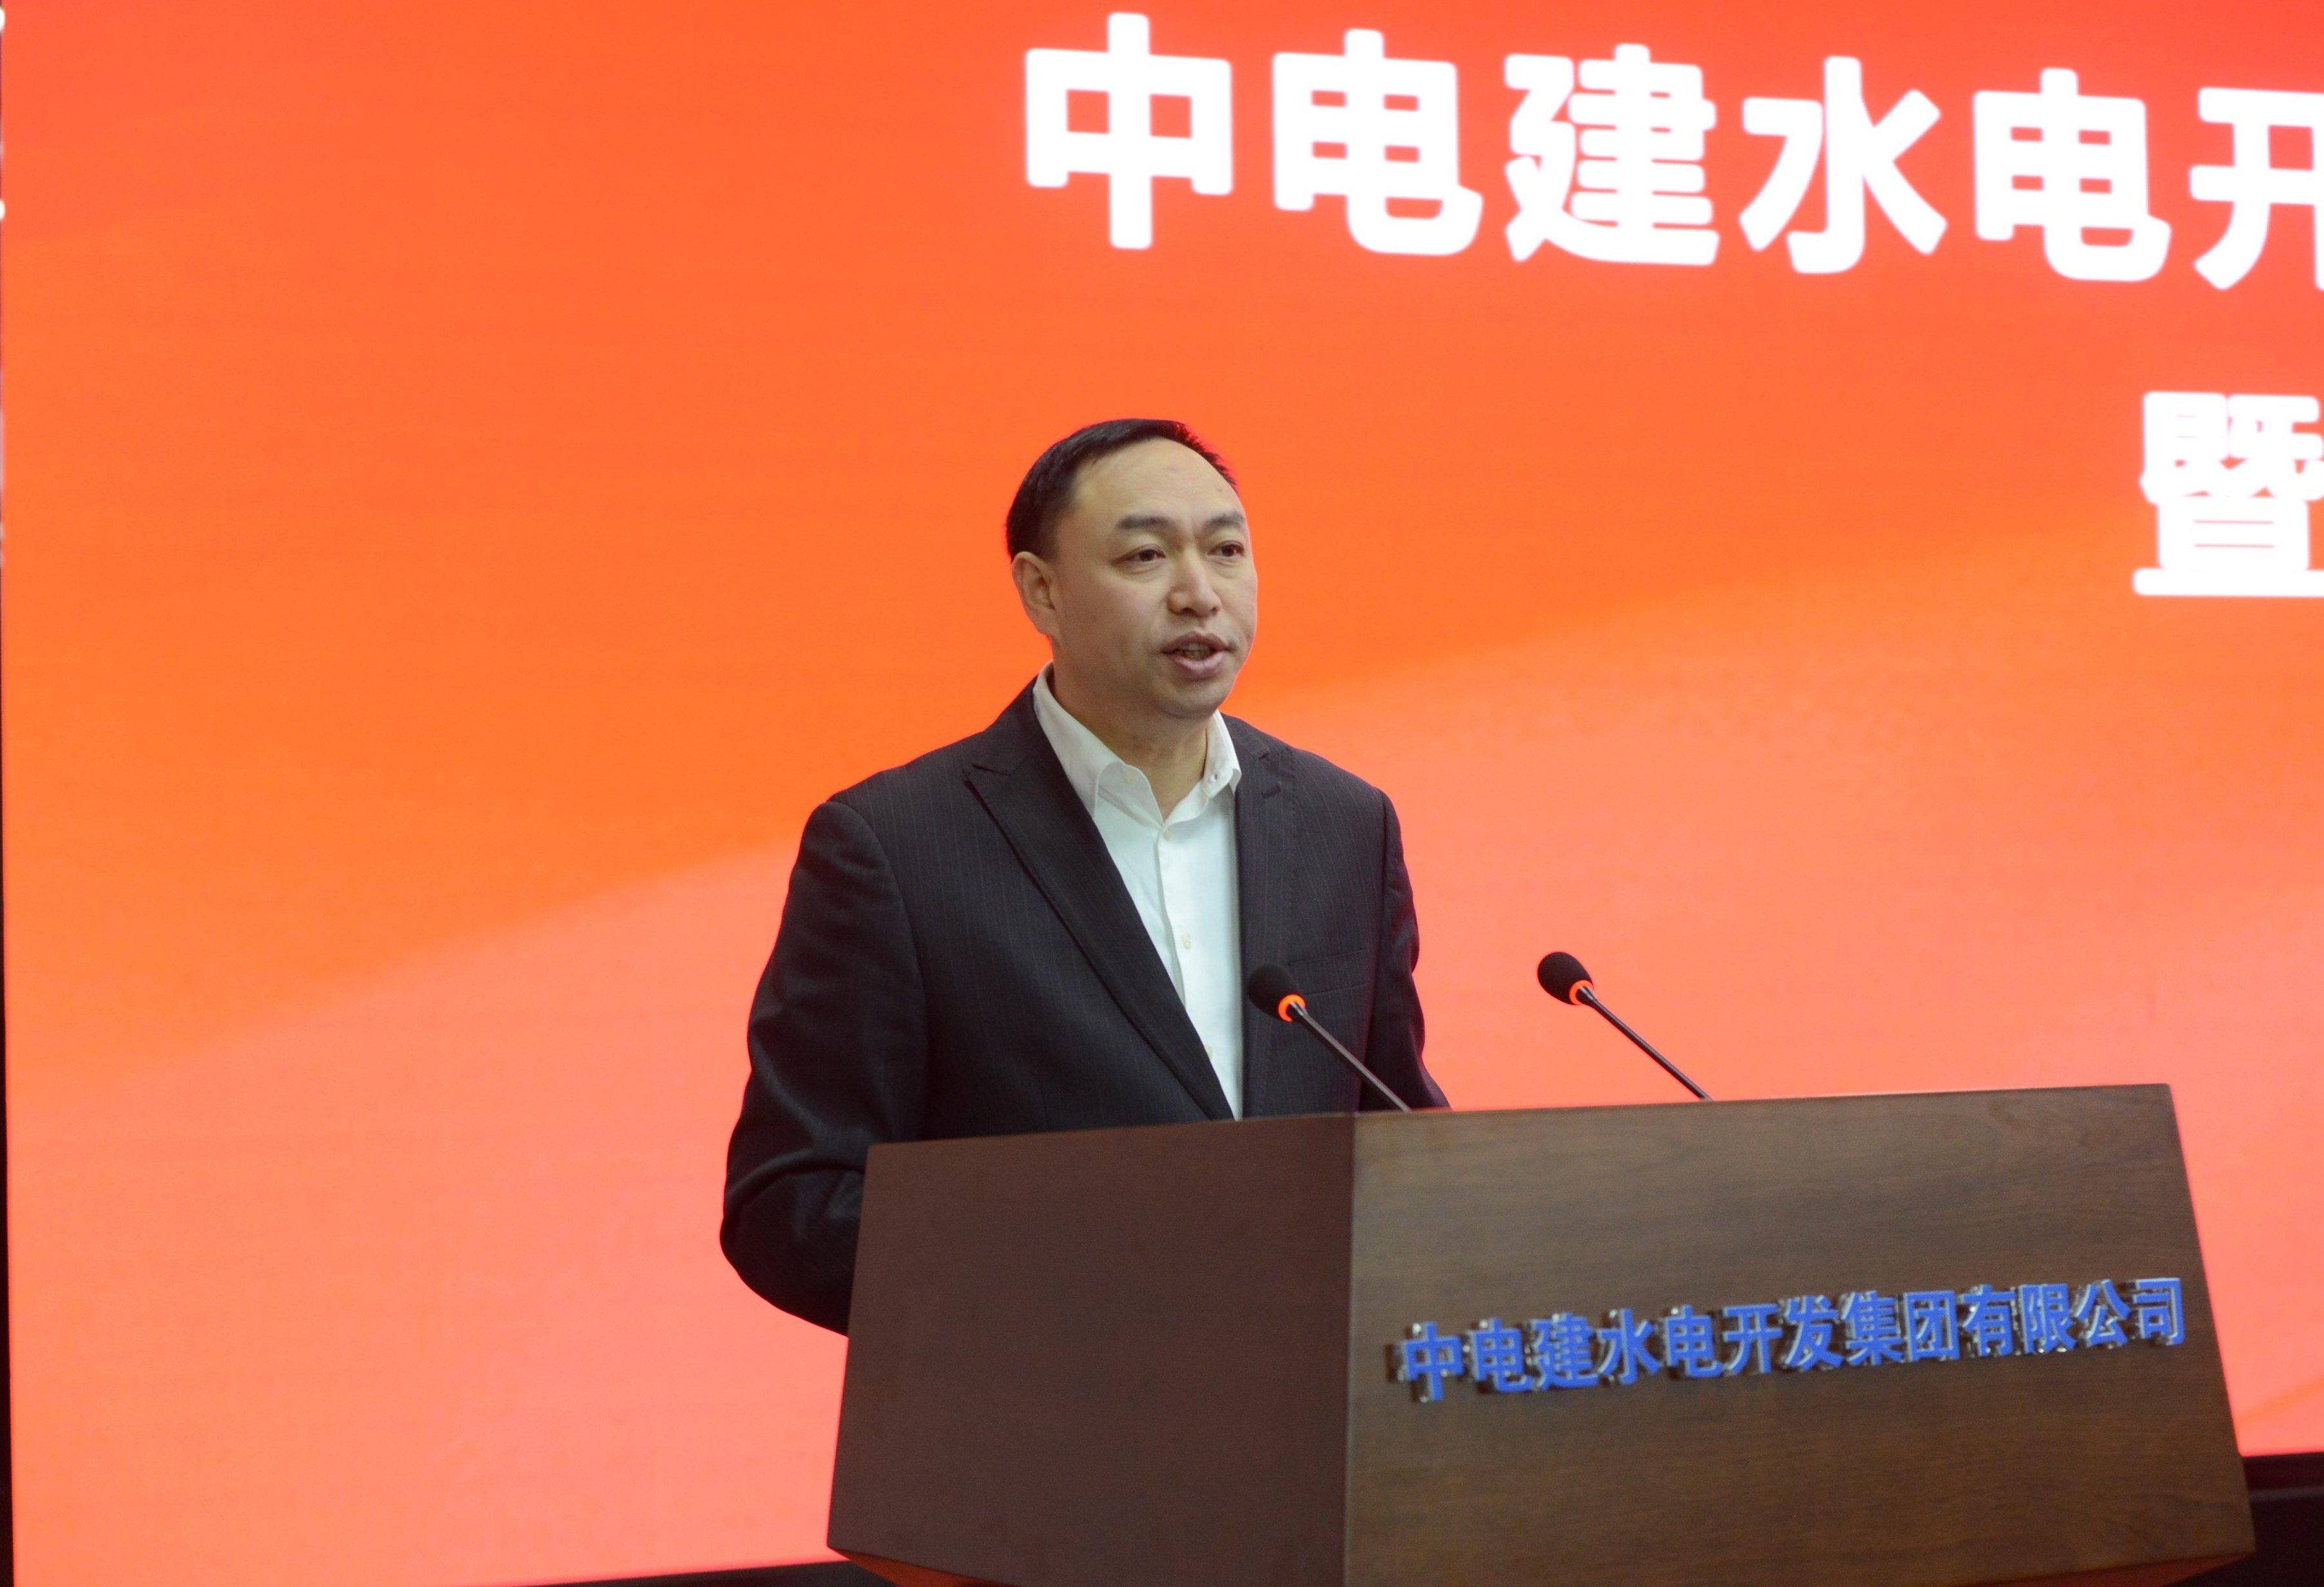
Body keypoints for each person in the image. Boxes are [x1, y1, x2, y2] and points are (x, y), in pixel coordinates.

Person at [721, 418, 1446, 1332]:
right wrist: (1087, 1277)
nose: (1199, 594)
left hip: (1311, 1405)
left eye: (1227, 550)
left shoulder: (1345, 825)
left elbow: (1395, 1130)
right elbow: (792, 1204)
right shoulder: (896, 847)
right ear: (1042, 591)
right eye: (1146, 556)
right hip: (1049, 1402)